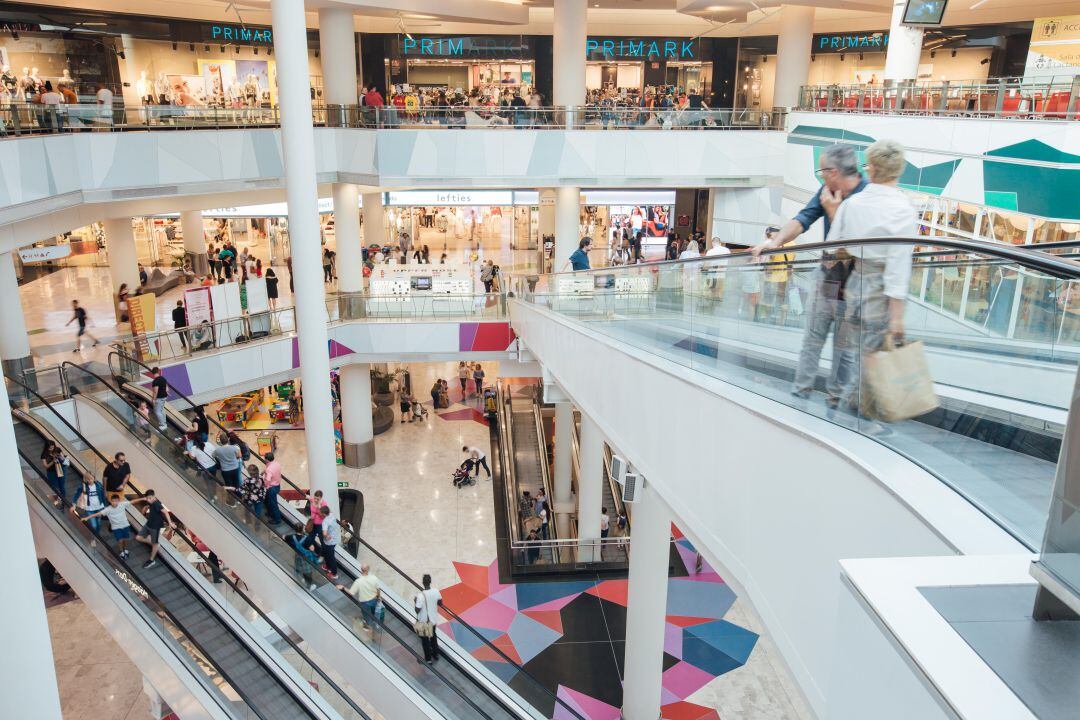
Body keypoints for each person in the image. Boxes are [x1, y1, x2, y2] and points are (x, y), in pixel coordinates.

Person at [752, 143, 867, 405]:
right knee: (813, 338)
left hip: (856, 281)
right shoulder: (828, 190)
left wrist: (835, 214)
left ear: (834, 171)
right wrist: (774, 242)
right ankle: (800, 392)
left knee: (844, 346)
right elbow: (802, 219)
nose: (821, 176)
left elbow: (860, 245)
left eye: (822, 171)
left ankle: (836, 397)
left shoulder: (866, 196)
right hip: (828, 276)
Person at [823, 139, 917, 414]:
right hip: (881, 289)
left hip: (855, 283)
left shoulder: (853, 205)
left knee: (856, 351)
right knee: (872, 357)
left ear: (871, 169)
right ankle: (856, 414)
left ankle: (849, 407)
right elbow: (899, 266)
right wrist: (897, 315)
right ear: (898, 171)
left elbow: (831, 247)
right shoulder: (903, 209)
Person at [132, 489, 174, 569]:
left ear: (154, 497)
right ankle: (155, 544)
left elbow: (165, 512)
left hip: (155, 527)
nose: (149, 500)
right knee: (138, 537)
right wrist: (146, 505)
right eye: (148, 498)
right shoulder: (151, 502)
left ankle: (151, 560)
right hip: (148, 524)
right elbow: (148, 504)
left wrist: (170, 523)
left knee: (154, 543)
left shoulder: (156, 503)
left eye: (150, 498)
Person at [82, 494, 133, 559]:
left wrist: (144, 498)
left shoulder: (122, 504)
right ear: (110, 501)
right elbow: (98, 513)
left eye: (116, 501)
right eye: (113, 501)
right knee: (120, 540)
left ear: (119, 501)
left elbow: (133, 501)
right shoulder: (108, 509)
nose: (114, 503)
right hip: (116, 527)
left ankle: (125, 549)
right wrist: (87, 517)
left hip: (125, 525)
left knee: (126, 539)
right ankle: (121, 552)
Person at [338, 563, 381, 630]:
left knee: (366, 615)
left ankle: (368, 626)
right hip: (374, 600)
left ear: (361, 570)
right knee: (373, 611)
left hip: (364, 603)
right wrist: (378, 597)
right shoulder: (374, 578)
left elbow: (351, 593)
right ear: (368, 569)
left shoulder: (358, 581)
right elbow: (378, 590)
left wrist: (343, 587)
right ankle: (375, 623)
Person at [413, 573, 443, 664]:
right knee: (433, 636)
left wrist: (415, 601)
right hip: (433, 620)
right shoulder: (436, 591)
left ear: (423, 583)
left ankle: (428, 659)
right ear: (430, 582)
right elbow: (440, 603)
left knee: (425, 640)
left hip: (424, 622)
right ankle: (436, 654)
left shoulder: (420, 596)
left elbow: (417, 610)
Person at [320, 506, 341, 578]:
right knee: (326, 553)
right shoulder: (331, 514)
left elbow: (324, 533)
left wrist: (327, 536)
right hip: (335, 539)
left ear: (324, 514)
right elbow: (329, 510)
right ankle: (328, 566)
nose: (320, 514)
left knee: (331, 557)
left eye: (321, 513)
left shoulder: (325, 521)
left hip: (330, 542)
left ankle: (334, 574)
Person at [263, 451, 284, 524]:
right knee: (267, 501)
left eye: (264, 458)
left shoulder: (269, 469)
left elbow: (268, 479)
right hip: (277, 485)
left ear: (267, 459)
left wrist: (265, 485)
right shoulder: (276, 464)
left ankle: (277, 519)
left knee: (273, 504)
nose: (264, 459)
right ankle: (270, 513)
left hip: (272, 488)